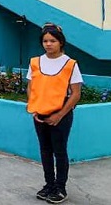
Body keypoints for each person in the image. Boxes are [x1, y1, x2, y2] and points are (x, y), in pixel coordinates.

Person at [27, 23, 83, 204]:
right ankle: (49, 185)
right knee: (45, 151)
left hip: (61, 115)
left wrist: (59, 115)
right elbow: (31, 87)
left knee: (59, 151)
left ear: (61, 42)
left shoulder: (70, 64)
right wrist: (34, 108)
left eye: (52, 40)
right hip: (40, 115)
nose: (48, 44)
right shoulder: (35, 62)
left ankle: (60, 188)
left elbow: (76, 94)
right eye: (45, 41)